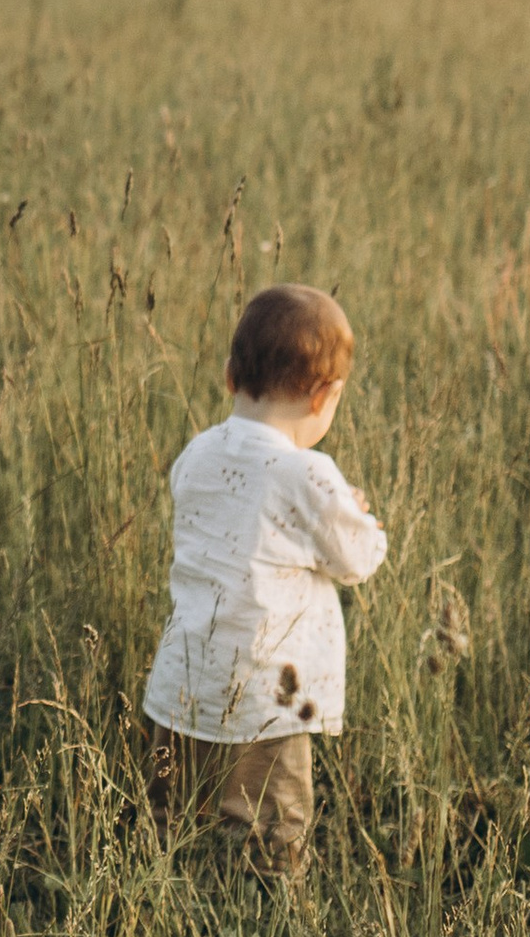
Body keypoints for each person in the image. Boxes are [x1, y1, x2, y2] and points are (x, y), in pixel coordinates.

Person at [144, 282, 387, 871]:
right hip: (262, 702)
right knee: (269, 836)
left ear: (230, 376)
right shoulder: (306, 472)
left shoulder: (197, 453)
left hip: (178, 684)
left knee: (171, 821)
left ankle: (165, 909)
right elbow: (358, 557)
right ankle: (269, 936)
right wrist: (358, 512)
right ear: (324, 397)